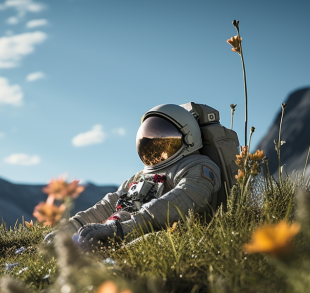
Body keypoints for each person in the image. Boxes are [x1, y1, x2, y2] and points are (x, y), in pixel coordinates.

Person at [49, 103, 221, 250]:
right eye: (150, 138)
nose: (154, 144)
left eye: (162, 137)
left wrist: (120, 230)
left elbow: (177, 202)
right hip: (122, 230)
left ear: (188, 137)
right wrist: (71, 226)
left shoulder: (200, 167)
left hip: (163, 239)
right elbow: (110, 203)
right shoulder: (140, 176)